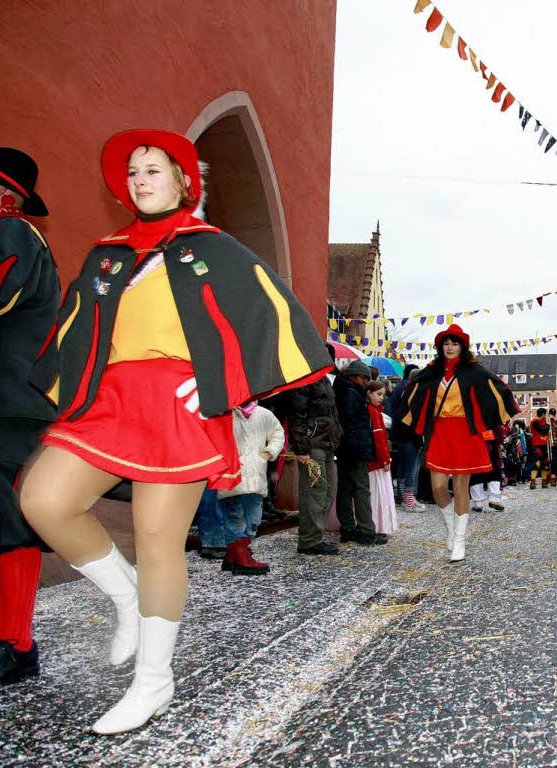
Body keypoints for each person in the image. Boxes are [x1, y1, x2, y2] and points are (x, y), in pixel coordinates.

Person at [21, 130, 332, 733]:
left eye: (153, 169)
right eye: (133, 172)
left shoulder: (212, 247)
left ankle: (154, 681)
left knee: (158, 538)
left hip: (178, 404)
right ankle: (125, 597)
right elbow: (78, 325)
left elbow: (272, 316)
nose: (140, 179)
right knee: (44, 499)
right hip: (110, 400)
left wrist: (222, 386)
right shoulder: (108, 254)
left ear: (186, 180)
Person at [0, 148, 59, 688]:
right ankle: (6, 630)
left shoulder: (9, 233)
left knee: (11, 517)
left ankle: (15, 641)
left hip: (8, 400)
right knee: (2, 515)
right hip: (0, 398)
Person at [394, 324, 519, 562]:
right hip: (439, 432)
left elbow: (499, 388)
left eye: (455, 343)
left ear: (462, 347)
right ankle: (451, 530)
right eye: (446, 343)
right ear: (441, 346)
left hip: (465, 432)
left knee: (461, 486)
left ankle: (459, 540)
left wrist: (487, 417)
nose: (450, 347)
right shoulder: (432, 371)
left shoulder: (474, 371)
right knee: (438, 487)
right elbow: (412, 391)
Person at [284, 351, 343, 556]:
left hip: (326, 442)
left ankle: (314, 536)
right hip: (312, 444)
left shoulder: (324, 378)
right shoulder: (304, 378)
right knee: (314, 492)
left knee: (327, 491)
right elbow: (296, 415)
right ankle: (309, 540)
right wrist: (301, 449)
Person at [217, 402, 285, 575]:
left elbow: (278, 432)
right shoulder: (225, 413)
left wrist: (269, 452)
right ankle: (240, 556)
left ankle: (236, 553)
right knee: (234, 516)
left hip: (256, 477)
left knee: (253, 518)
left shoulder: (263, 414)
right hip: (232, 475)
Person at [333, 359, 384, 546]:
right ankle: (366, 531)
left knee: (345, 489)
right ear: (353, 377)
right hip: (355, 449)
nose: (366, 382)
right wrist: (359, 447)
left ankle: (347, 528)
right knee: (361, 489)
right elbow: (352, 424)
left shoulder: (341, 390)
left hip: (344, 448)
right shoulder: (352, 394)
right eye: (364, 378)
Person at [387, 364, 426, 512]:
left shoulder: (402, 390)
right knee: (411, 469)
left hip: (400, 434)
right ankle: (409, 502)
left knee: (403, 468)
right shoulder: (415, 393)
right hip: (411, 434)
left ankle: (404, 498)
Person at [367, 380, 398, 536]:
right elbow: (380, 440)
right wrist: (385, 460)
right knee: (377, 494)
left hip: (374, 460)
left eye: (382, 395)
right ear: (369, 393)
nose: (381, 398)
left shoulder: (374, 410)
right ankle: (378, 524)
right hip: (376, 462)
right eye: (378, 394)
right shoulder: (374, 412)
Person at [529, 408, 552, 489]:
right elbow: (543, 430)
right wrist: (548, 425)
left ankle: (544, 481)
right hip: (537, 445)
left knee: (545, 463)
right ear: (543, 414)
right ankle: (532, 482)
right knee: (537, 463)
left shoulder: (544, 421)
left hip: (544, 445)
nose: (546, 416)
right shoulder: (535, 421)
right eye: (545, 414)